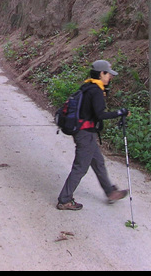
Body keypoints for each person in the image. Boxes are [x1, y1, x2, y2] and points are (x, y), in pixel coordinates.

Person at [57, 59, 129, 210]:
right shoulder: (96, 91)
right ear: (101, 73)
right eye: (108, 74)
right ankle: (64, 199)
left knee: (98, 162)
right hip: (85, 134)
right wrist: (119, 113)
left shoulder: (88, 87)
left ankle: (110, 192)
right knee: (80, 167)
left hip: (85, 132)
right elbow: (100, 115)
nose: (110, 77)